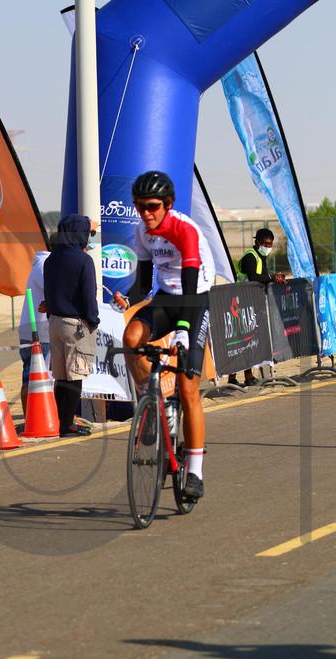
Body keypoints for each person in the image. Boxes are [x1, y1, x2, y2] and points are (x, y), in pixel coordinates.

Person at [114, 171, 215, 501]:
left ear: (167, 204)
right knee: (131, 337)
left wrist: (183, 332)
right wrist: (127, 299)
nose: (146, 213)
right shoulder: (142, 231)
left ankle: (195, 472)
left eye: (153, 206)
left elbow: (190, 286)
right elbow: (144, 284)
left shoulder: (185, 230)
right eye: (140, 206)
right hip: (165, 298)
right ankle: (152, 400)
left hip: (194, 298)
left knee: (188, 387)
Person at [43, 214, 100, 438]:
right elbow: (89, 295)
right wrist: (93, 321)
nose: (88, 236)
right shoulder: (83, 260)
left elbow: (49, 292)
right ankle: (67, 425)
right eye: (88, 231)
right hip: (75, 324)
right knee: (75, 375)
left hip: (54, 322)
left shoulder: (51, 259)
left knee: (60, 375)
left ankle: (60, 423)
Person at [229, 228, 285, 387]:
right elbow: (254, 278)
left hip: (250, 303)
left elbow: (262, 277)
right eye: (265, 244)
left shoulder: (261, 257)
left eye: (270, 244)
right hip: (239, 303)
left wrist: (273, 278)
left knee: (248, 341)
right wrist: (272, 277)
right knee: (241, 342)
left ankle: (245, 376)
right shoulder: (250, 256)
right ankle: (235, 377)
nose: (267, 247)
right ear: (257, 242)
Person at [18, 248, 52, 417]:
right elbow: (54, 290)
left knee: (35, 377)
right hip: (37, 330)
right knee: (32, 378)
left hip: (38, 329)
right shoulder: (45, 263)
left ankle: (35, 417)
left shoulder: (42, 262)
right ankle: (30, 418)